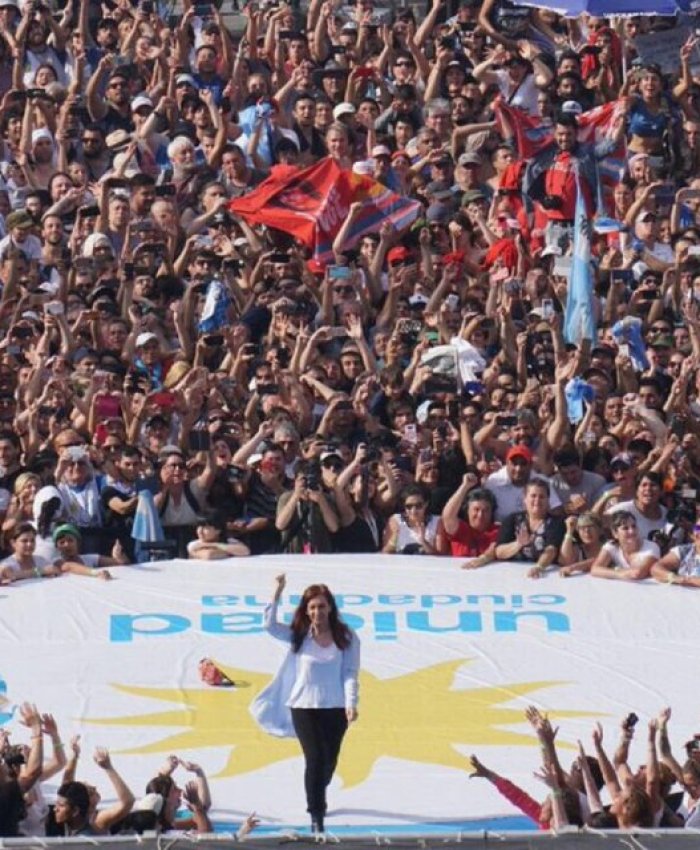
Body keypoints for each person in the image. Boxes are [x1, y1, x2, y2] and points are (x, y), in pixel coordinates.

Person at [254, 574, 360, 834]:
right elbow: (269, 625)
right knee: (314, 758)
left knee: (329, 761)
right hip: (303, 706)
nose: (317, 612)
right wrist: (277, 592)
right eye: (312, 607)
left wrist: (351, 702)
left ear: (331, 607)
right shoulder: (299, 635)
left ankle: (318, 787)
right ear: (306, 610)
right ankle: (316, 813)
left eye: (322, 606)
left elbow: (349, 672)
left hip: (335, 708)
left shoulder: (346, 636)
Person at [494, 480, 566, 578]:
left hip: (545, 574)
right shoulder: (512, 519)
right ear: (525, 499)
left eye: (542, 496)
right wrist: (518, 544)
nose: (537, 500)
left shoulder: (556, 522)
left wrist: (539, 567)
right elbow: (499, 552)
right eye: (533, 496)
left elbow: (551, 550)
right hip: (512, 574)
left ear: (548, 500)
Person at [440, 474, 500, 567]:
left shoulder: (498, 531)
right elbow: (447, 516)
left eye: (486, 510)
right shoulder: (460, 530)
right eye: (476, 509)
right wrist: (465, 486)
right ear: (467, 510)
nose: (480, 515)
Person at [590, 511, 659, 582]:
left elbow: (637, 574)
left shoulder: (651, 547)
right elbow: (595, 569)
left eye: (634, 526)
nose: (631, 531)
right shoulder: (611, 546)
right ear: (615, 533)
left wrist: (614, 570)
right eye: (625, 528)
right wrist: (619, 574)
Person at [650, 522, 700, 587]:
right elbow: (656, 568)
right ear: (692, 534)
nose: (698, 533)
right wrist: (677, 578)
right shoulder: (684, 551)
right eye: (697, 528)